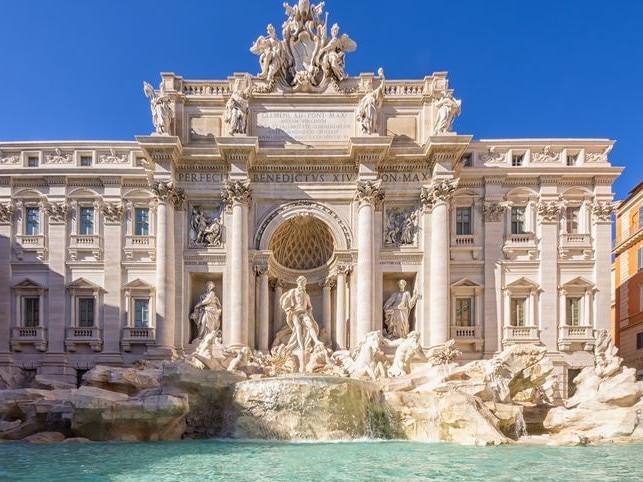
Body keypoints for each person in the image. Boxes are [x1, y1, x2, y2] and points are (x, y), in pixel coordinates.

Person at [280, 276, 324, 357]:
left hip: (304, 312)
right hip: (295, 313)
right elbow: (284, 302)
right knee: (298, 328)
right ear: (298, 282)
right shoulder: (293, 291)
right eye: (301, 281)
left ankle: (316, 341)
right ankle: (301, 347)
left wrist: (310, 312)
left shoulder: (307, 295)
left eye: (304, 282)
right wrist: (289, 308)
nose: (302, 283)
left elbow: (309, 306)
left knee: (310, 325)